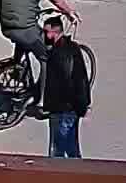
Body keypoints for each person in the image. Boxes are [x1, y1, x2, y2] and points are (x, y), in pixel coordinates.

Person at [41, 14, 91, 158]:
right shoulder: (73, 48)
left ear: (54, 32)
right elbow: (82, 78)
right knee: (72, 149)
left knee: (57, 152)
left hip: (62, 109)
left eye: (46, 32)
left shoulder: (58, 54)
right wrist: (83, 105)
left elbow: (66, 82)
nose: (44, 35)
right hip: (73, 108)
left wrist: (50, 106)